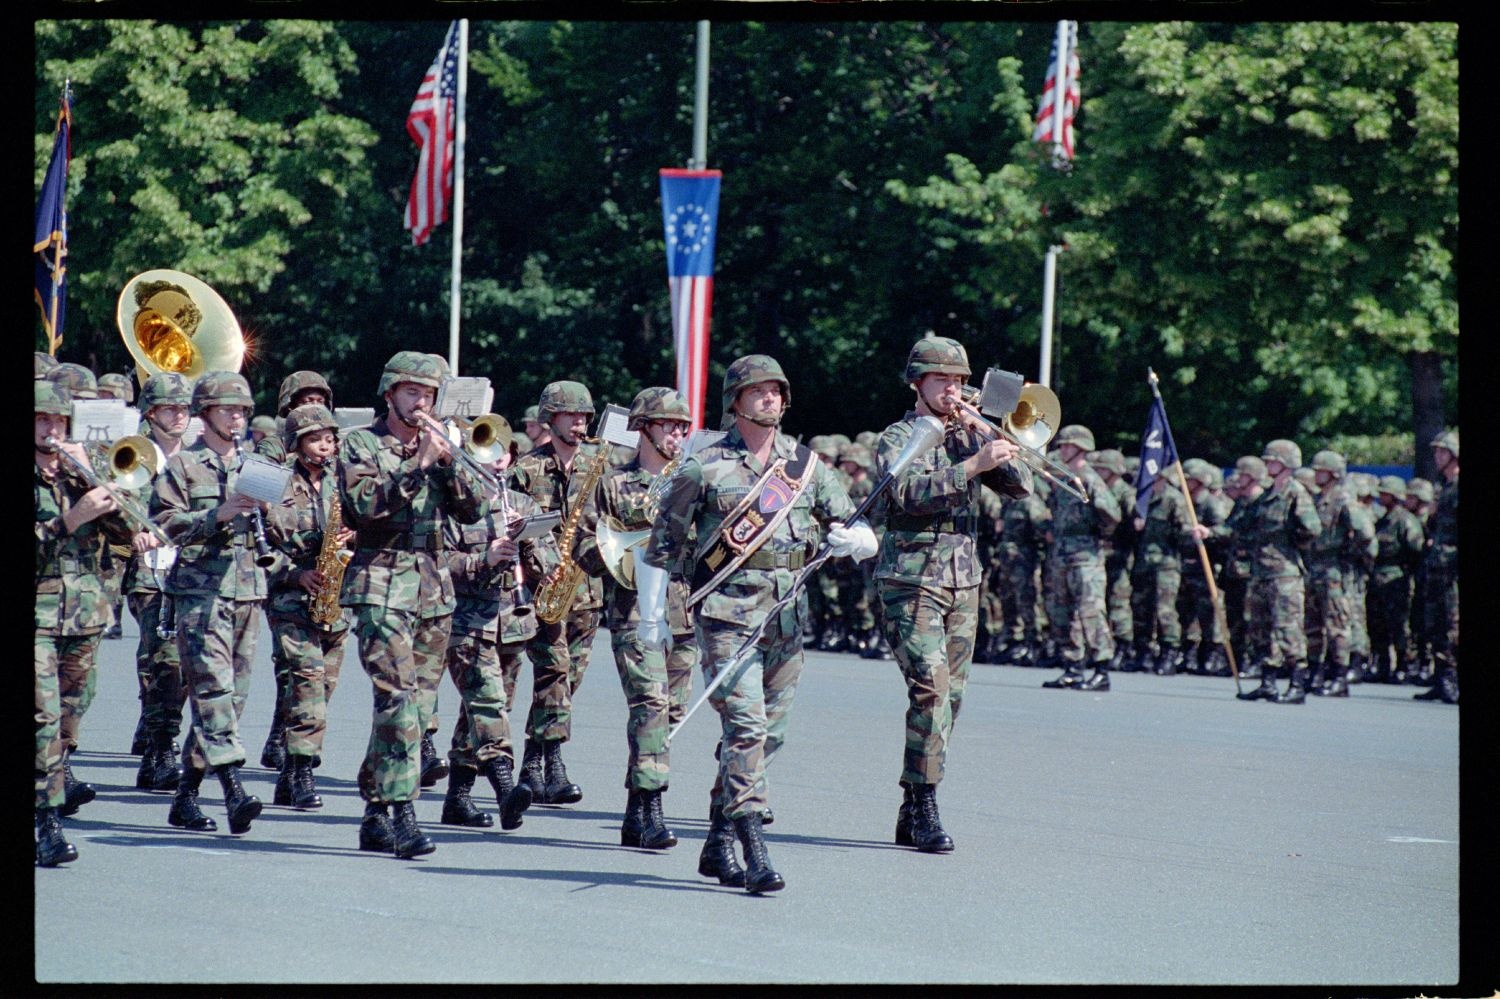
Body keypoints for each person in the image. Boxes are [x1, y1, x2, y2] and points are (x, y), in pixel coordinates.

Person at [646, 354, 871, 893]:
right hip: (726, 619)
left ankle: (717, 838)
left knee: (768, 736)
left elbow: (850, 522)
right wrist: (654, 616)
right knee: (745, 728)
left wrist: (858, 542)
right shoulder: (704, 468)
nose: (771, 398)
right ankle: (753, 848)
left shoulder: (807, 467)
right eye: (759, 391)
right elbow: (663, 547)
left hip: (787, 619)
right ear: (736, 402)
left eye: (777, 391)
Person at [873, 337, 1031, 851]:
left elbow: (1020, 486)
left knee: (952, 698)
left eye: (961, 382)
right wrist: (971, 466)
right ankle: (924, 805)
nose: (953, 390)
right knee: (932, 690)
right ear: (917, 383)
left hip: (964, 580)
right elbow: (905, 494)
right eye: (943, 380)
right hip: (910, 580)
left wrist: (990, 441)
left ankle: (912, 798)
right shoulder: (900, 435)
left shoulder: (971, 434)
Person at [338, 351, 487, 858]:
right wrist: (418, 464)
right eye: (412, 393)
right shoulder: (362, 442)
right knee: (398, 698)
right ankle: (402, 813)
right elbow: (364, 509)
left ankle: (375, 812)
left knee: (415, 709)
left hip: (432, 588)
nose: (421, 403)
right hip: (380, 583)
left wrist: (448, 465)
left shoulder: (442, 443)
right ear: (390, 394)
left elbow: (473, 511)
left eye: (428, 395)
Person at [574, 387, 700, 849]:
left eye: (682, 427)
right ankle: (651, 808)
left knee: (673, 712)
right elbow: (583, 545)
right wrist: (620, 558)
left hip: (682, 610)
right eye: (667, 425)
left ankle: (634, 806)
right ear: (643, 428)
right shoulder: (611, 483)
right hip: (632, 611)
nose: (677, 434)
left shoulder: (693, 481)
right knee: (651, 704)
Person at [151, 371, 274, 834]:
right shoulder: (183, 467)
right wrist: (216, 514)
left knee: (230, 699)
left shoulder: (256, 464)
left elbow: (282, 527)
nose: (237, 417)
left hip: (248, 590)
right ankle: (234, 789)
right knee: (212, 691)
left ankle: (185, 796)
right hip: (201, 593)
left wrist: (270, 511)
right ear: (205, 414)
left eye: (242, 410)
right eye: (228, 410)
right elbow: (163, 524)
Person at [35, 379, 135, 865]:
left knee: (68, 718)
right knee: (42, 719)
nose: (52, 431)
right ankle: (46, 822)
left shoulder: (76, 475)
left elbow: (128, 533)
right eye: (42, 421)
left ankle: (57, 784)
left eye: (58, 422)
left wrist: (95, 479)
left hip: (84, 616)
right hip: (38, 614)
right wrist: (69, 519)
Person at [439, 424, 557, 831]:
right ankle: (506, 787)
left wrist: (529, 538)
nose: (497, 458)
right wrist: (483, 560)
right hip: (467, 621)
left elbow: (551, 568)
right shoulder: (455, 505)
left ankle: (457, 798)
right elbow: (437, 563)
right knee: (488, 702)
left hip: (513, 622)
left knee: (482, 709)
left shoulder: (523, 501)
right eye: (487, 451)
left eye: (503, 451)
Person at [511, 381, 607, 807]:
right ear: (550, 418)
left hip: (588, 590)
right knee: (553, 670)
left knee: (567, 681)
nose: (580, 422)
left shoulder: (599, 466)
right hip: (543, 588)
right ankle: (548, 763)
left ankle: (536, 759)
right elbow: (511, 524)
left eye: (585, 416)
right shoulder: (526, 469)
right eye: (571, 415)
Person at [263, 404, 352, 810]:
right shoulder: (273, 479)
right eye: (316, 439)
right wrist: (293, 573)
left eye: (330, 439)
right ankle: (301, 772)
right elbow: (254, 544)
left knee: (323, 689)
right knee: (307, 685)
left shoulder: (344, 479)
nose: (325, 446)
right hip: (290, 598)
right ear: (296, 444)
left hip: (334, 599)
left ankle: (287, 776)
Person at [255, 369, 336, 771]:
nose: (313, 407)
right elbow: (255, 528)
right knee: (298, 672)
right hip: (287, 584)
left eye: (319, 399)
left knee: (318, 682)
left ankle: (286, 741)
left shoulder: (336, 463)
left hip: (329, 588)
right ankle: (292, 753)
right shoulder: (268, 456)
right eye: (304, 400)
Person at [124, 372, 194, 792]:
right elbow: (118, 502)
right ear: (150, 413)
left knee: (187, 666)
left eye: (185, 408)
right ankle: (160, 749)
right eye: (171, 408)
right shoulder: (132, 455)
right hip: (150, 571)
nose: (180, 416)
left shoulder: (197, 456)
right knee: (163, 660)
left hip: (192, 571)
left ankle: (160, 740)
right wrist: (133, 530)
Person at [1236, 440, 1321, 704]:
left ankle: (1297, 684)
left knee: (1288, 629)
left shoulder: (1296, 493)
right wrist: (1207, 532)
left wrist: (1290, 544)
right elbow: (1242, 524)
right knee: (1260, 630)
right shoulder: (1268, 494)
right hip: (1262, 572)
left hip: (1285, 574)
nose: (1266, 464)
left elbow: (1311, 528)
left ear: (1283, 464)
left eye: (1271, 460)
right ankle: (1268, 682)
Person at [1038, 426, 1122, 692]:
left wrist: (1096, 534)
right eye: (1062, 445)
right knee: (1061, 611)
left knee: (1091, 611)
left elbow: (1111, 513)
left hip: (1086, 557)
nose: (1062, 449)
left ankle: (1101, 668)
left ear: (1082, 448)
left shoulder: (1088, 478)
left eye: (1068, 445)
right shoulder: (1065, 479)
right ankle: (1072, 666)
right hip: (1062, 555)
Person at [1303, 450, 1376, 697]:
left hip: (1334, 570)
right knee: (1313, 625)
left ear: (1333, 473)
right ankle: (1314, 673)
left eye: (1320, 470)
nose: (1316, 474)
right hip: (1315, 569)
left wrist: (1349, 553)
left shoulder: (1344, 499)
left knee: (1337, 626)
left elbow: (1365, 533)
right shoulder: (1316, 498)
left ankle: (1339, 676)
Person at [1129, 469, 1197, 675]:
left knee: (1165, 610)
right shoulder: (1140, 498)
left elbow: (1185, 534)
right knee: (1141, 607)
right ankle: (1143, 653)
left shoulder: (1174, 499)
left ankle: (1169, 652)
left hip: (1166, 564)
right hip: (1143, 562)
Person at [1176, 459, 1234, 675]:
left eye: (1190, 479)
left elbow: (1222, 530)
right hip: (1187, 563)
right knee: (1186, 610)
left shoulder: (1210, 503)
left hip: (1207, 563)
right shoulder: (1184, 502)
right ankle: (1189, 652)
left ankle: (1212, 652)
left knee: (1209, 611)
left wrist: (1207, 533)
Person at [1414, 431, 1458, 703]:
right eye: (1436, 452)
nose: (1437, 456)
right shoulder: (1443, 488)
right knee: (1436, 624)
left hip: (1453, 568)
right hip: (1438, 567)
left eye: (1443, 452)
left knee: (1454, 625)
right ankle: (1442, 677)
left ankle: (1453, 680)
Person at [1369, 475, 1424, 685]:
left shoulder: (1405, 520)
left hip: (1397, 580)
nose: (1381, 497)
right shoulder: (1382, 520)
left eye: (1385, 493)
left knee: (1399, 625)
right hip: (1378, 579)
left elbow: (1416, 549)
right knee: (1378, 624)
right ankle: (1382, 666)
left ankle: (1403, 666)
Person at [1221, 456, 1269, 676]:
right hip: (1235, 570)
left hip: (1253, 569)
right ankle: (1236, 659)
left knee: (1253, 619)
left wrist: (1211, 531)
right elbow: (1230, 528)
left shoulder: (1262, 502)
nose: (1238, 478)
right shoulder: (1241, 502)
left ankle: (1255, 660)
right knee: (1235, 616)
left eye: (1243, 474)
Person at [1089, 449, 1137, 671]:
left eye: (1102, 468)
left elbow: (1133, 520)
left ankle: (1124, 645)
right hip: (1100, 553)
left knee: (1119, 602)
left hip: (1119, 553)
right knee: (1102, 602)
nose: (1098, 471)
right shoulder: (1101, 489)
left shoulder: (1126, 493)